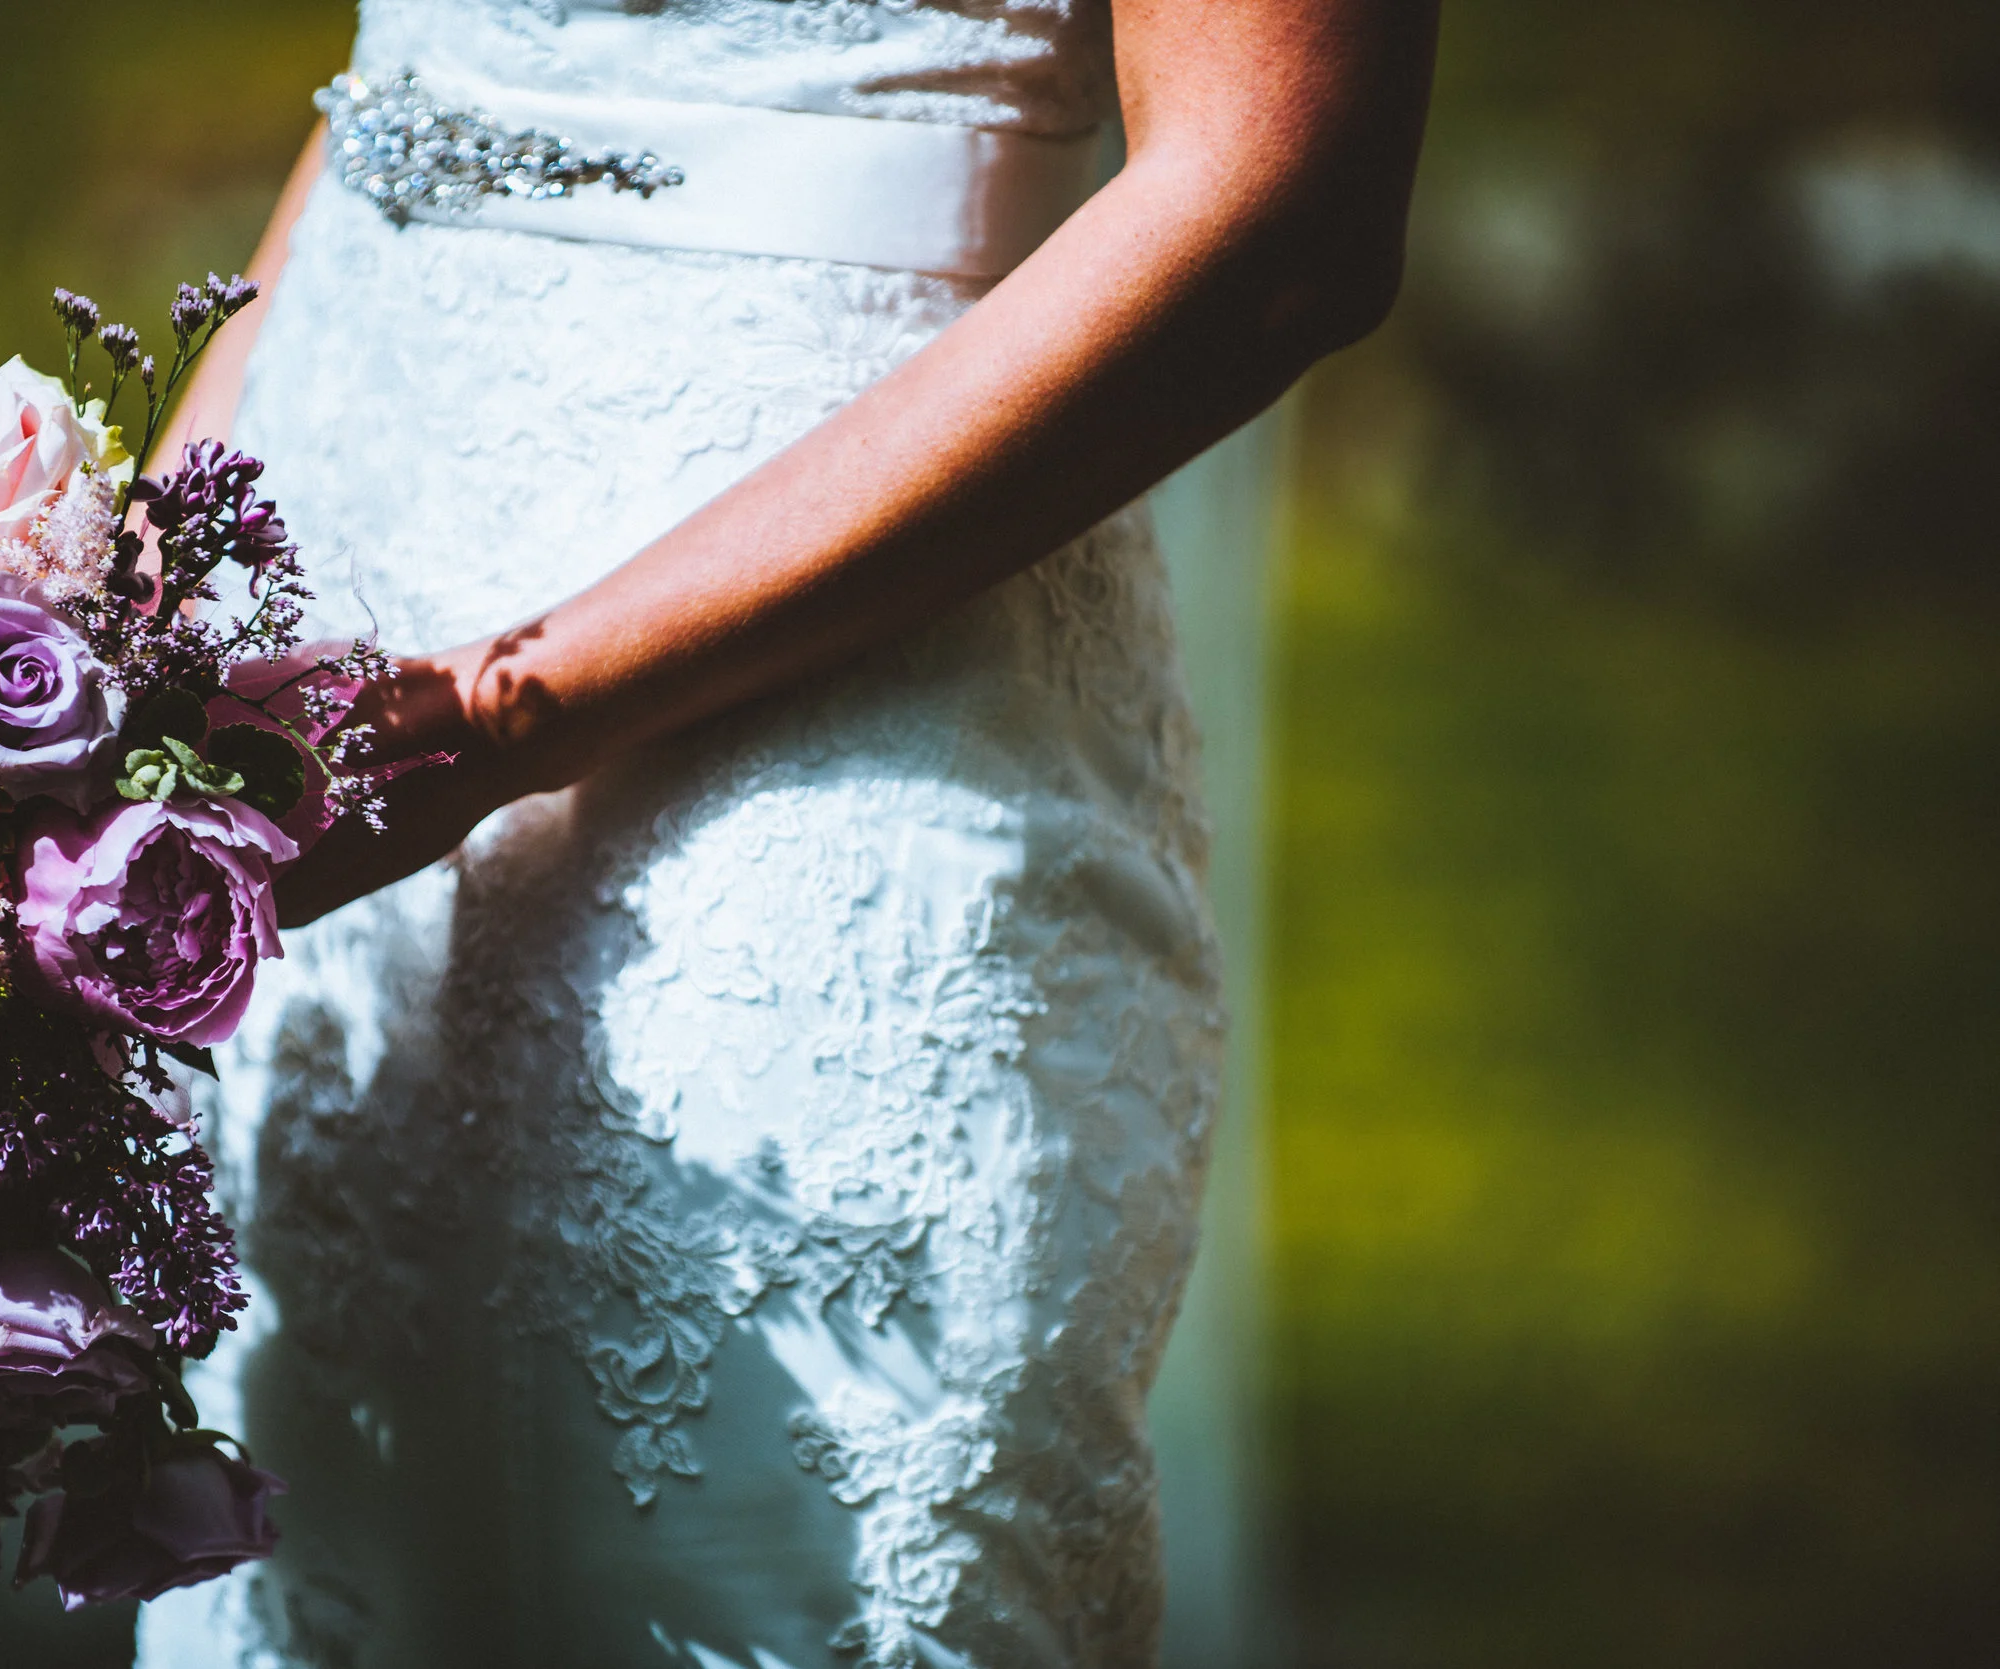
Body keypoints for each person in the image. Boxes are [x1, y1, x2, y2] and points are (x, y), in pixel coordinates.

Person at [139, 3, 1435, 1665]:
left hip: (827, 713)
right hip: (321, 672)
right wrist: (129, 596)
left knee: (765, 1557)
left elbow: (1282, 208)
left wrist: (506, 712)